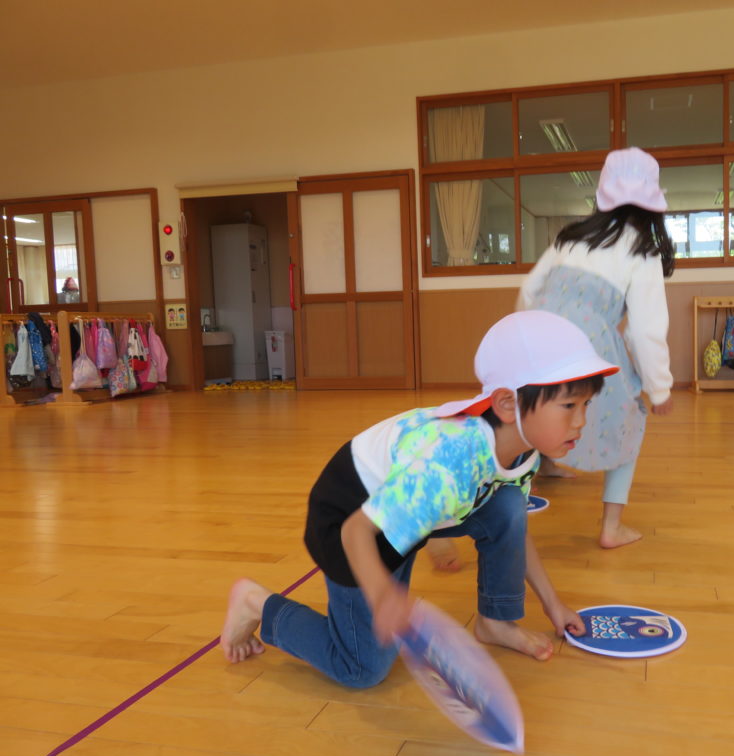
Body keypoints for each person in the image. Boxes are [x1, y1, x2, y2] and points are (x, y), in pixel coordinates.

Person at [220, 310, 619, 688]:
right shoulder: (448, 462)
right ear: (506, 403)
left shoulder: (523, 451)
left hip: (405, 505)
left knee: (509, 506)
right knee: (361, 669)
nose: (581, 421)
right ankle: (257, 603)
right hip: (348, 518)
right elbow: (355, 532)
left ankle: (495, 622)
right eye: (568, 406)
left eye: (585, 404)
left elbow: (513, 530)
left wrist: (552, 604)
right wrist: (383, 597)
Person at [518, 147, 675, 550]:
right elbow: (645, 331)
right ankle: (611, 526)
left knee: (535, 407)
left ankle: (543, 468)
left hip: (538, 337)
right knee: (628, 416)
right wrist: (658, 389)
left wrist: (524, 336)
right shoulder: (641, 252)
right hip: (588, 346)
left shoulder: (570, 238)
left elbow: (529, 291)